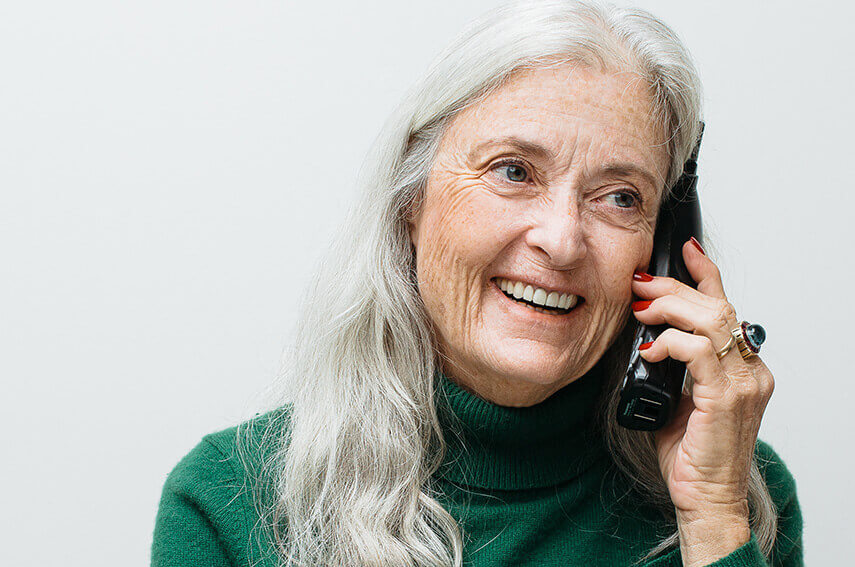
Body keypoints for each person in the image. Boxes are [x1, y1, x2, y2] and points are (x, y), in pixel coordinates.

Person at [151, 1, 802, 565]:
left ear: (662, 251)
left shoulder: (730, 490)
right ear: (412, 202)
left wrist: (713, 518)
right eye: (514, 171)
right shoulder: (227, 502)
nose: (561, 238)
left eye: (619, 197)